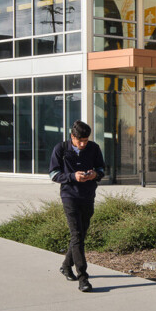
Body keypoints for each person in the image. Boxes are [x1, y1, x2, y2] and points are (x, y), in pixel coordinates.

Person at [48, 120, 104, 292]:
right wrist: (73, 176)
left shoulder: (94, 148)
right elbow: (53, 174)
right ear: (72, 136)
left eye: (85, 141)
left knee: (81, 235)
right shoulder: (60, 149)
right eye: (79, 141)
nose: (82, 144)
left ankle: (66, 265)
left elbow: (102, 169)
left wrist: (95, 174)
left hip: (88, 196)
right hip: (69, 196)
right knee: (77, 234)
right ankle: (83, 278)